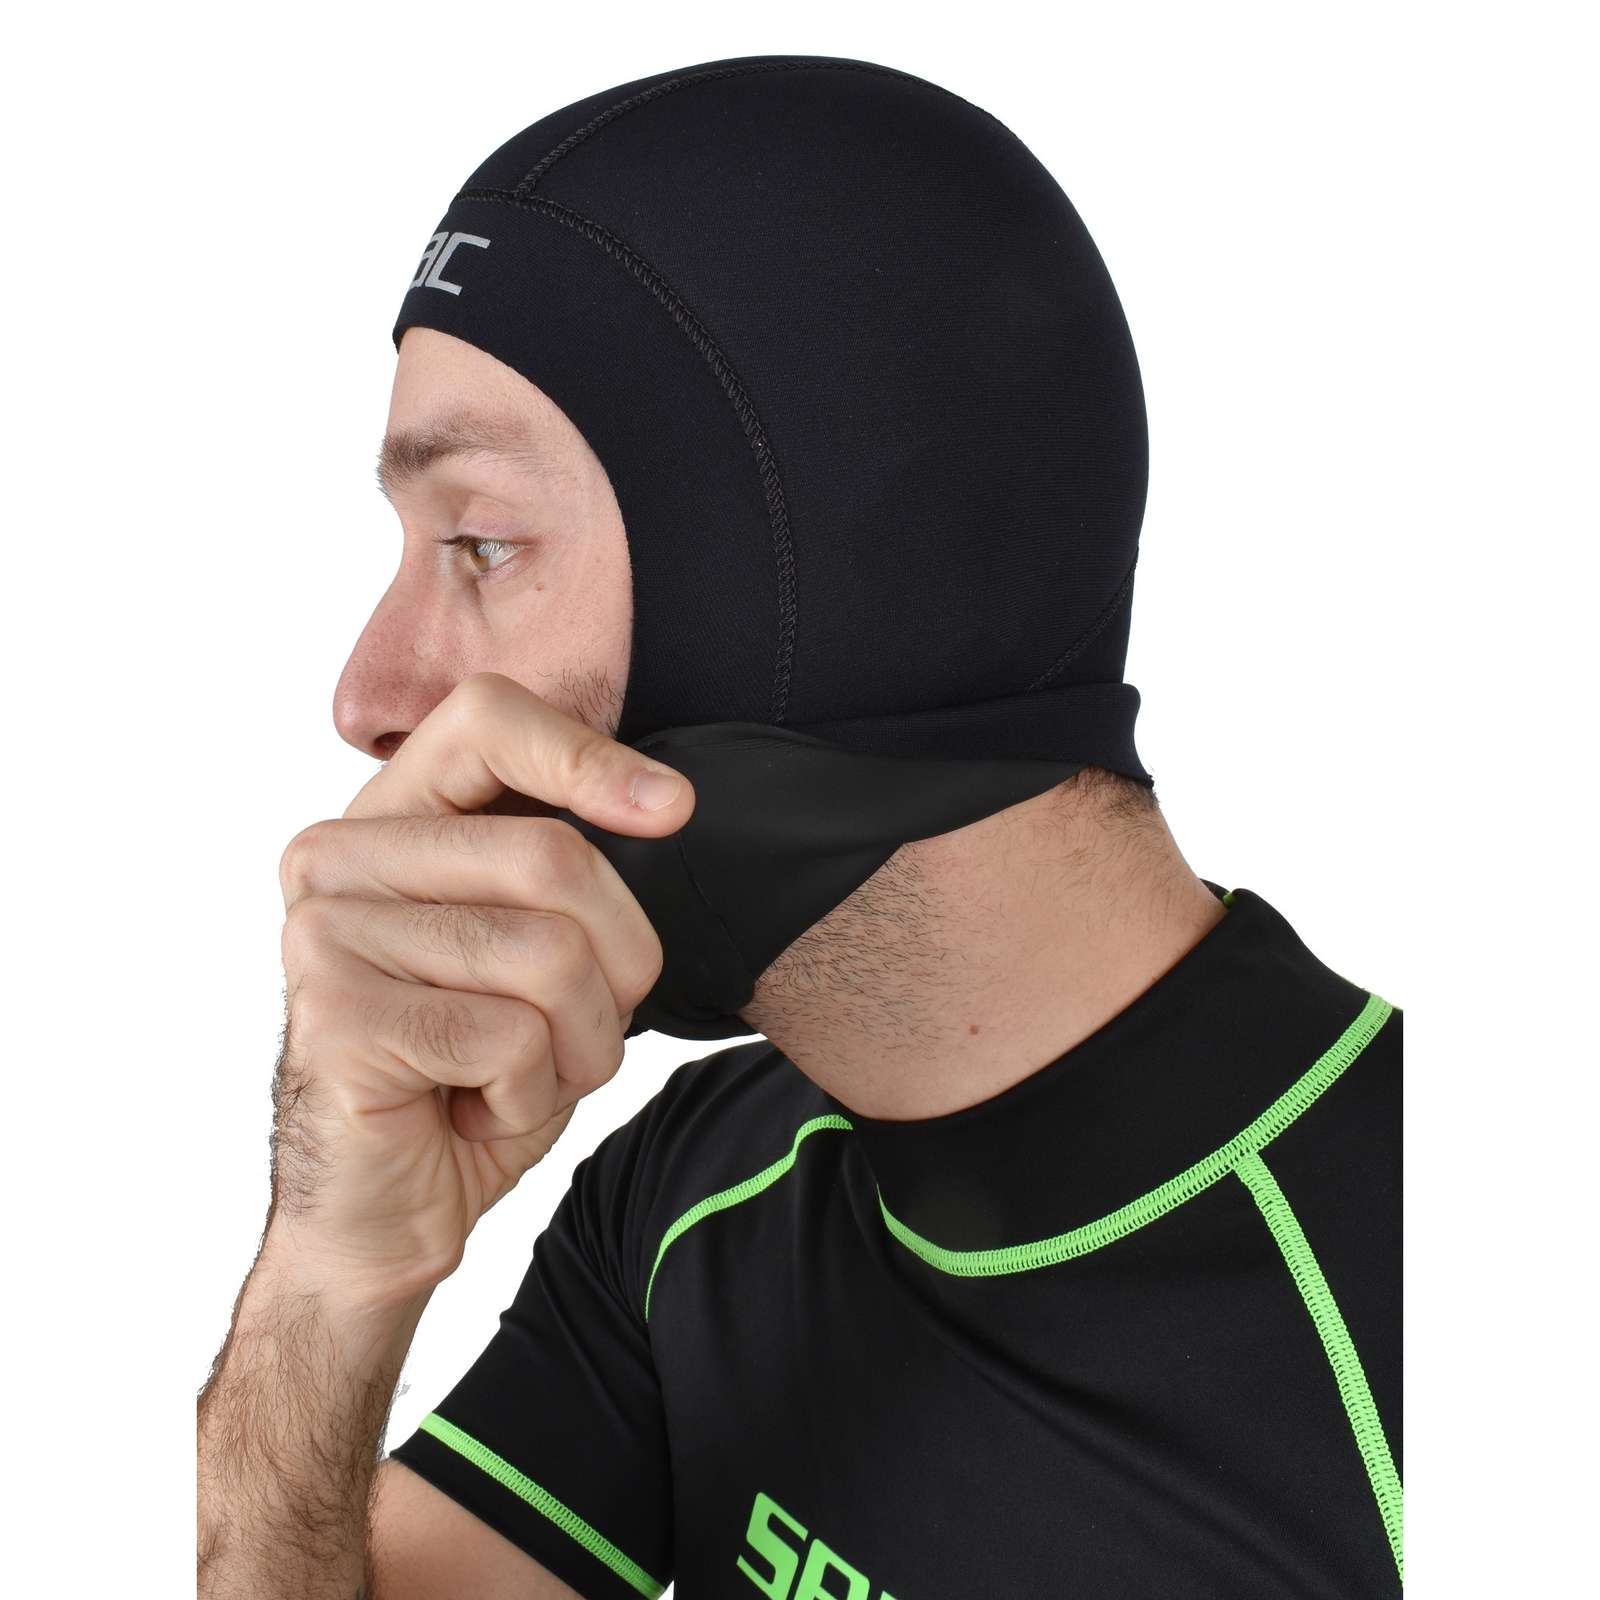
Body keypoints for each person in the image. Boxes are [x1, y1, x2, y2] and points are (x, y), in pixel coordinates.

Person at [197, 54, 1402, 1599]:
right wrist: (328, 1278)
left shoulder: (1451, 1328)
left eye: (481, 543)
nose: (370, 696)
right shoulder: (702, 1193)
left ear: (830, 588)